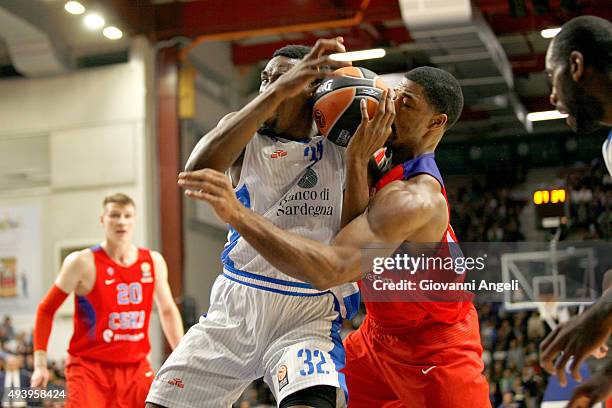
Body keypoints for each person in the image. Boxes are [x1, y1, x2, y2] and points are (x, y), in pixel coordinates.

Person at [179, 66, 491, 407]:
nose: (389, 104)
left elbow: (334, 269)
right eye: (394, 93)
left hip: (437, 346)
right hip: (377, 336)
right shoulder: (376, 158)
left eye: (406, 104)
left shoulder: (416, 198)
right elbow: (349, 232)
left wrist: (238, 214)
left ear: (436, 123)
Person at [147, 38, 385, 408]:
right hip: (238, 304)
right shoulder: (244, 133)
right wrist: (275, 93)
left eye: (281, 79)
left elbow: (353, 237)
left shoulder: (343, 147)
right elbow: (195, 173)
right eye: (265, 79)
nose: (268, 86)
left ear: (312, 92)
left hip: (308, 312)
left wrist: (357, 163)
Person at [30, 193, 184, 408]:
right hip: (89, 370)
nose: (121, 221)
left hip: (136, 369)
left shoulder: (152, 261)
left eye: (127, 215)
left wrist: (183, 357)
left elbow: (167, 310)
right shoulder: (81, 262)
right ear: (103, 220)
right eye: (114, 215)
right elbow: (46, 310)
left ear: (134, 220)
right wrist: (39, 364)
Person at [540, 15, 612, 407]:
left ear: (577, 67)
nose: (552, 96)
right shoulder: (609, 149)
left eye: (553, 78)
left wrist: (601, 311)